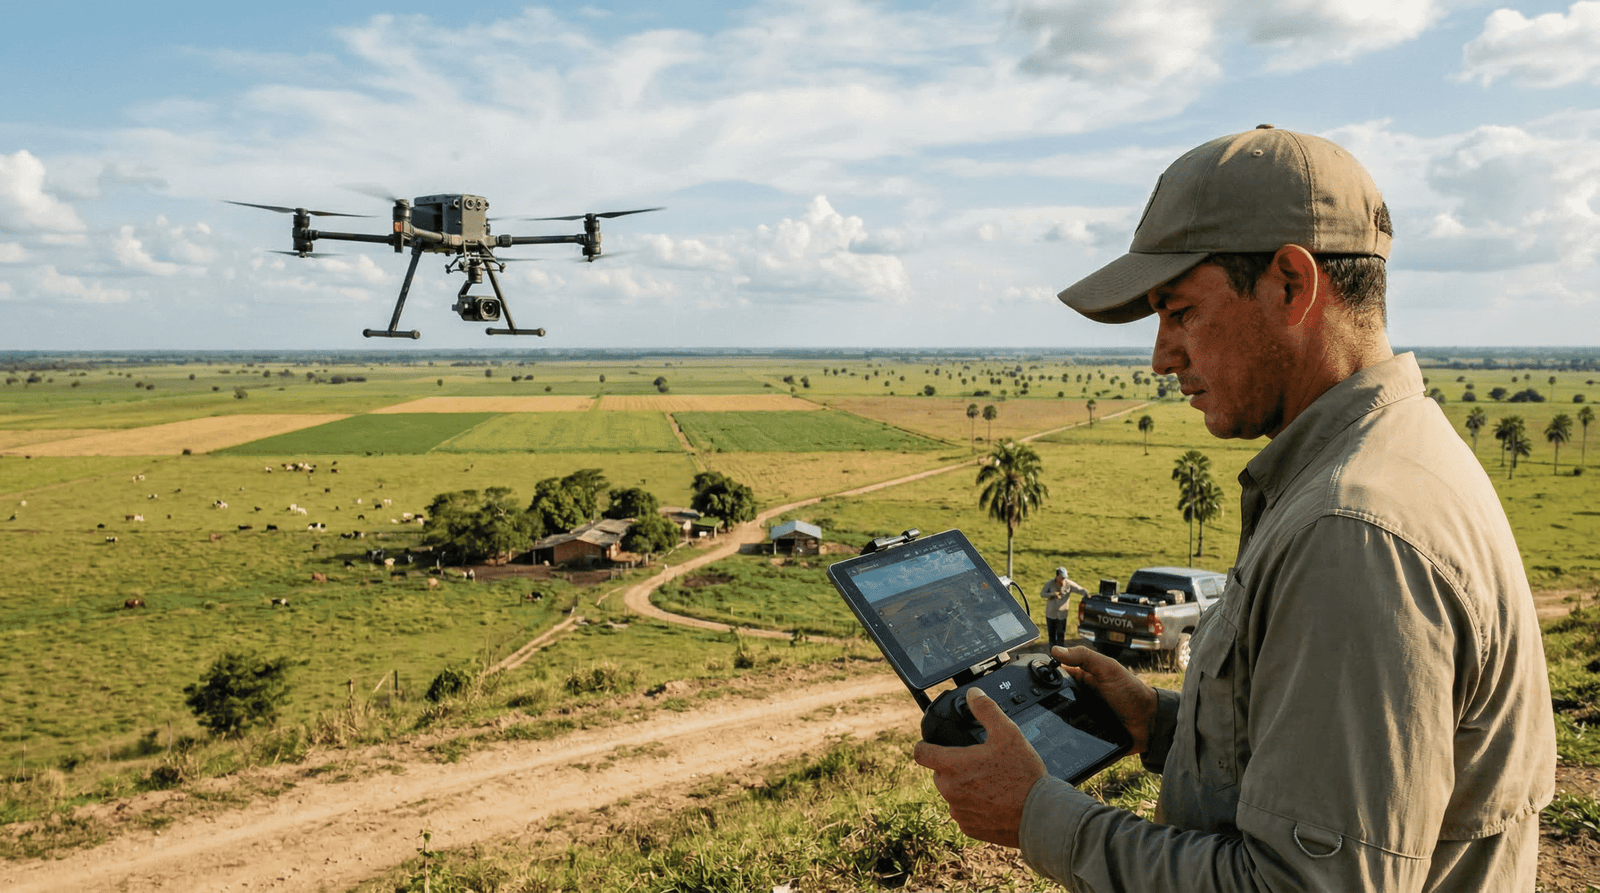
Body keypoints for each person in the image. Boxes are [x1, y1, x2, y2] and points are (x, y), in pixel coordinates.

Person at [913, 126, 1555, 892]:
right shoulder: (1396, 452)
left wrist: (1036, 815)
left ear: (1291, 284)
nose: (1161, 354)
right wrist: (1159, 720)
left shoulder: (1351, 531)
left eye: (1179, 310)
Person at [1039, 566, 1087, 648]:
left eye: (1064, 578)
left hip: (1062, 615)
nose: (1063, 580)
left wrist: (1086, 594)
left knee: (1061, 634)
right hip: (1051, 614)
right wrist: (1052, 594)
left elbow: (1080, 589)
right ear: (1057, 576)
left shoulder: (1069, 584)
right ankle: (1052, 651)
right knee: (1052, 635)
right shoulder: (1049, 584)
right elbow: (1042, 594)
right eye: (1061, 578)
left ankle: (1061, 653)